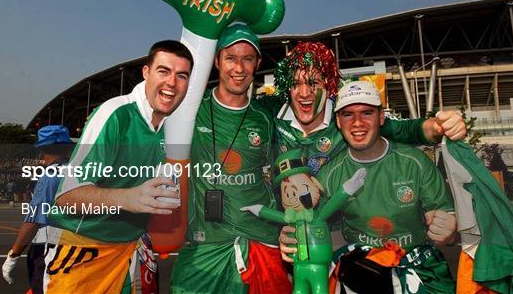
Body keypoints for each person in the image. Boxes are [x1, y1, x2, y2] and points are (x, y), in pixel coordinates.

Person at [280, 81, 457, 294]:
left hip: (418, 265)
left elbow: (447, 220)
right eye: (347, 114)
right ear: (338, 120)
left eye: (366, 113)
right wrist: (291, 238)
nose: (357, 123)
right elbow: (307, 221)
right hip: (361, 268)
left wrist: (449, 229)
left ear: (381, 117)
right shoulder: (330, 174)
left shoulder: (415, 162)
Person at [45, 40, 193, 294]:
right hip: (81, 250)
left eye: (182, 75)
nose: (172, 83)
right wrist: (129, 198)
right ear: (146, 73)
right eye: (163, 71)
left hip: (128, 252)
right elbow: (66, 196)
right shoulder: (115, 114)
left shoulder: (172, 128)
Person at [171, 24, 292, 294]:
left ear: (257, 63)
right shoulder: (192, 111)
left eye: (247, 59)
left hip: (261, 243)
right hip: (205, 245)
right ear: (216, 61)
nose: (239, 68)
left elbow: (281, 179)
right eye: (231, 58)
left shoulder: (265, 119)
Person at [269, 41, 466, 175]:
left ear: (328, 85)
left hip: (339, 230)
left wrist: (440, 126)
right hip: (285, 227)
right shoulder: (271, 114)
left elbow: (407, 130)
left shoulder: (346, 119)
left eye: (313, 83)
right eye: (295, 84)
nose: (304, 93)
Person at [1, 125, 73, 294]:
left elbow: (32, 223)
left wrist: (13, 255)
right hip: (75, 248)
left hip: (48, 251)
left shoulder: (49, 177)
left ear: (42, 148)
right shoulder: (81, 172)